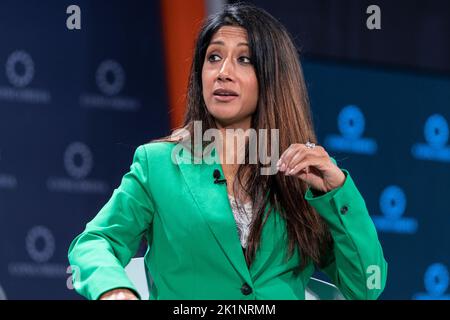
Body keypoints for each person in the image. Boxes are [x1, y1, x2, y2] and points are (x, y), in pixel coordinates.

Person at [68, 3, 387, 300]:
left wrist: (339, 194)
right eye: (214, 57)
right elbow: (94, 243)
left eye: (244, 59)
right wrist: (114, 289)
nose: (223, 72)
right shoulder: (159, 166)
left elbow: (366, 286)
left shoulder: (302, 175)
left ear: (273, 76)